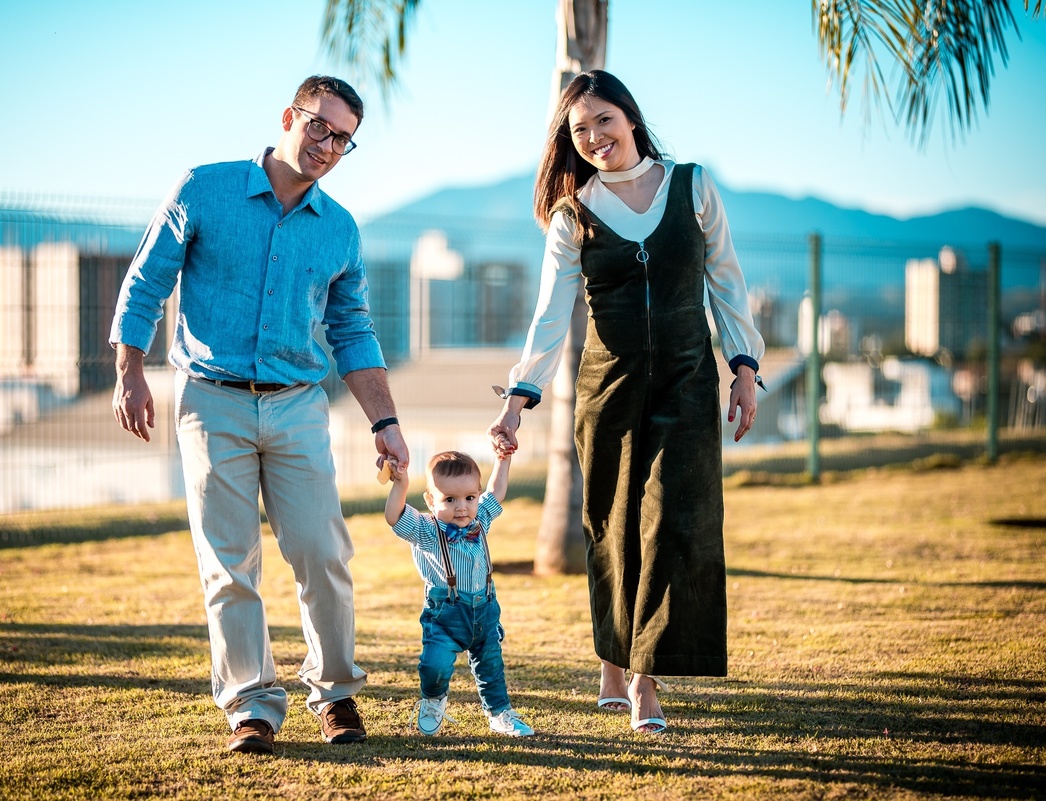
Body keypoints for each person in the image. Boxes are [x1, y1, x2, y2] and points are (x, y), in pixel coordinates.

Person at [109, 75, 409, 754]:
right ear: (288, 117)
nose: (327, 145)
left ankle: (335, 695)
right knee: (229, 564)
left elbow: (353, 330)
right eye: (319, 127)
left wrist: (384, 422)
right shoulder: (205, 188)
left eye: (343, 138)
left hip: (299, 408)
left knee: (322, 553)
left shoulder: (340, 230)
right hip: (210, 403)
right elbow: (147, 281)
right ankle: (252, 705)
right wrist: (129, 369)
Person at [488, 70, 765, 735]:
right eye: (579, 130)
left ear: (631, 117)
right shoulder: (571, 213)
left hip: (688, 380)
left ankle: (644, 679)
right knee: (610, 526)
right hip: (605, 390)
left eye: (603, 120)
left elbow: (726, 279)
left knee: (672, 519)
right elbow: (550, 314)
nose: (594, 137)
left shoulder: (692, 186)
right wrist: (518, 396)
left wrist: (745, 366)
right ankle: (612, 661)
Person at [383, 450, 535, 738]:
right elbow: (394, 516)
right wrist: (400, 484)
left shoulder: (481, 521)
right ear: (430, 501)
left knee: (491, 668)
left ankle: (499, 713)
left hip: (485, 612)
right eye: (449, 500)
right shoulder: (426, 530)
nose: (462, 507)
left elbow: (497, 491)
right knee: (434, 666)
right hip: (445, 617)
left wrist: (503, 460)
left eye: (469, 498)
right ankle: (433, 700)